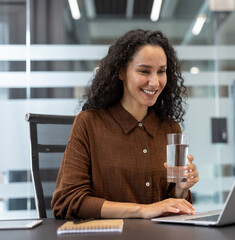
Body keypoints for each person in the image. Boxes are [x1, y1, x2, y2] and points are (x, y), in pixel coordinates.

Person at [51, 29, 199, 219]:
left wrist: (181, 188)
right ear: (121, 72)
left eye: (161, 71)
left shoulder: (170, 129)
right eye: (144, 71)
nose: (154, 82)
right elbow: (67, 201)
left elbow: (172, 207)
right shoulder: (89, 123)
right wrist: (143, 210)